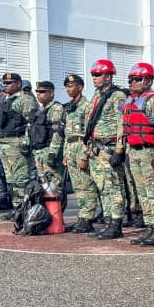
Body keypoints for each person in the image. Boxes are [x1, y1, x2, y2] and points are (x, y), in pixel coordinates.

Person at [119, 62, 154, 246]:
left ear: (148, 80)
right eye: (131, 79)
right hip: (134, 151)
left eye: (137, 79)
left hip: (149, 151)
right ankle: (149, 226)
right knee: (142, 193)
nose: (132, 82)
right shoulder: (130, 101)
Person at [83, 59, 127, 240]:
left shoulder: (117, 96)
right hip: (96, 149)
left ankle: (116, 224)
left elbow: (122, 123)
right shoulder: (96, 96)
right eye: (93, 74)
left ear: (108, 76)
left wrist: (119, 150)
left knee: (114, 187)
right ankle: (109, 221)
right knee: (103, 189)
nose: (94, 77)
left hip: (109, 148)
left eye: (98, 74)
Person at [0, 71, 37, 212]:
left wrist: (26, 142)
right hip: (4, 143)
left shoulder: (25, 100)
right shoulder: (5, 100)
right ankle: (17, 208)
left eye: (9, 83)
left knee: (21, 180)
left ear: (18, 84)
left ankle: (25, 209)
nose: (6, 85)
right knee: (11, 180)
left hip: (17, 143)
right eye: (4, 83)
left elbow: (32, 123)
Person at [60, 74, 99, 232]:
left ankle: (87, 218)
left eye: (71, 86)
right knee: (77, 186)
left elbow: (89, 133)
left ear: (80, 87)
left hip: (81, 147)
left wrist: (84, 155)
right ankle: (82, 216)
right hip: (70, 148)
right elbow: (67, 133)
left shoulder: (86, 106)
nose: (68, 89)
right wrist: (64, 153)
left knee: (86, 185)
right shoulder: (69, 107)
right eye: (67, 87)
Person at [29, 81, 65, 192]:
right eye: (37, 92)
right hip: (38, 152)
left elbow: (58, 133)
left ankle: (55, 210)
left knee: (53, 188)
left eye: (42, 92)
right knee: (44, 187)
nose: (39, 94)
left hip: (49, 151)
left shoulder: (56, 108)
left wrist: (52, 153)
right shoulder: (39, 110)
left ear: (51, 93)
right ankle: (48, 209)